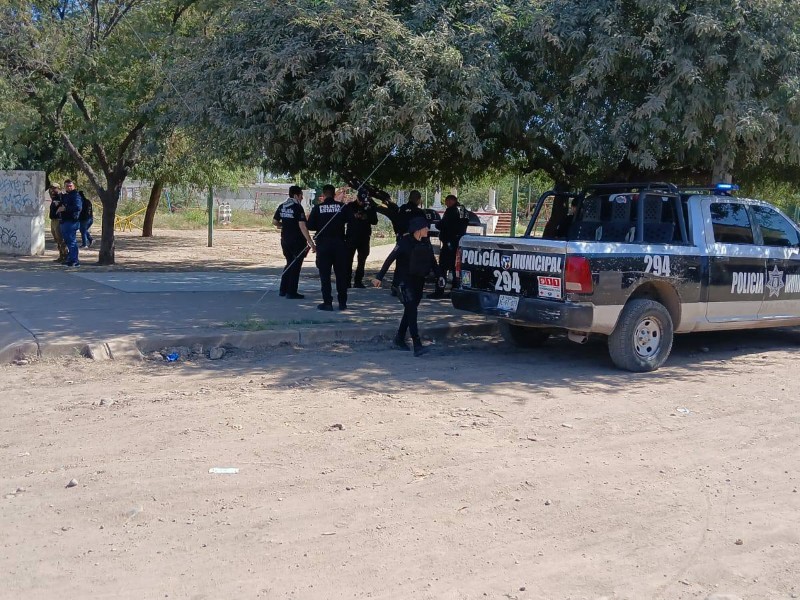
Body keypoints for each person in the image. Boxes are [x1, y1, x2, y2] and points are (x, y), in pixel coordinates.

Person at [373, 217, 444, 357]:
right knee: (412, 310)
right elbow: (390, 259)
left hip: (418, 281)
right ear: (418, 229)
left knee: (410, 310)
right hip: (403, 282)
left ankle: (399, 338)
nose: (428, 229)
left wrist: (440, 276)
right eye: (425, 227)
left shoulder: (426, 242)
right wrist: (379, 277)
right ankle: (417, 345)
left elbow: (433, 262)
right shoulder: (404, 242)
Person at [308, 184, 349, 311]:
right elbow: (351, 221)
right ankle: (342, 303)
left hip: (323, 245)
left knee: (325, 275)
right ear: (334, 194)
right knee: (341, 275)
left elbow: (310, 226)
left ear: (324, 194)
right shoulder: (342, 207)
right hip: (339, 244)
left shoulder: (317, 208)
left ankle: (327, 303)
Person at [273, 185, 316, 299]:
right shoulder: (297, 207)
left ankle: (283, 289)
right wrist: (310, 242)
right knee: (296, 266)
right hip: (297, 241)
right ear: (296, 195)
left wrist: (284, 225)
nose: (302, 197)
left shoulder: (282, 206)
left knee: (289, 263)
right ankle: (291, 292)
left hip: (285, 240)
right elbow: (302, 226)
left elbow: (275, 221)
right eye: (301, 195)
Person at [429, 194, 470, 298]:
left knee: (442, 268)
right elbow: (464, 224)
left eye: (446, 202)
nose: (446, 205)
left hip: (449, 243)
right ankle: (454, 291)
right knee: (455, 268)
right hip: (459, 243)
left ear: (450, 201)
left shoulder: (451, 211)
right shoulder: (463, 210)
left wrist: (438, 225)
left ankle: (439, 291)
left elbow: (443, 224)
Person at [343, 188, 378, 288]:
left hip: (364, 237)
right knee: (348, 260)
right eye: (360, 200)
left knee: (362, 260)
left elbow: (375, 221)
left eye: (363, 200)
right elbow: (344, 219)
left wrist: (366, 217)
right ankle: (347, 281)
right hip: (351, 236)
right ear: (357, 197)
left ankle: (358, 281)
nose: (362, 202)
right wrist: (354, 216)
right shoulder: (350, 206)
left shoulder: (370, 207)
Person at [57, 179, 83, 267]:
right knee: (67, 241)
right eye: (67, 186)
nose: (69, 187)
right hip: (64, 220)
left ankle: (75, 261)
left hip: (72, 221)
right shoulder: (66, 195)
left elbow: (78, 207)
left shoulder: (75, 195)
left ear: (73, 186)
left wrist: (65, 208)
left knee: (71, 241)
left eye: (70, 186)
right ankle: (70, 259)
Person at [48, 185, 67, 263]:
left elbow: (63, 207)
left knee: (60, 239)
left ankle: (65, 255)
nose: (52, 190)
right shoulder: (54, 197)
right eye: (51, 188)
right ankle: (61, 255)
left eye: (54, 188)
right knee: (56, 239)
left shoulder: (61, 197)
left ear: (58, 188)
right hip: (53, 220)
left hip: (58, 220)